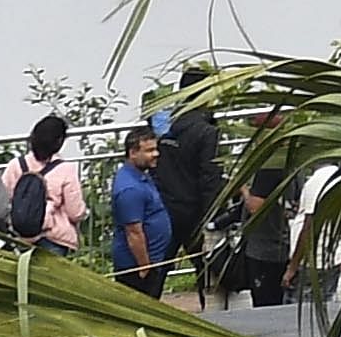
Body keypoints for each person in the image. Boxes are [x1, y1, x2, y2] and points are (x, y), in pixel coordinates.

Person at [150, 66, 223, 289]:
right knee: (208, 268)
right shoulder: (206, 131)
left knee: (158, 268)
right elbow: (209, 176)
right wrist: (213, 217)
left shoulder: (163, 123)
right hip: (193, 212)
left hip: (165, 207)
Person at [7, 112, 89, 257]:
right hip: (54, 238)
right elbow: (75, 212)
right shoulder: (66, 169)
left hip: (20, 238)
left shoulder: (16, 165)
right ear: (59, 142)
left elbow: (5, 199)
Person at [214, 167, 295, 310]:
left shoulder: (268, 170)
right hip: (281, 243)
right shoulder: (290, 167)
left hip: (263, 248)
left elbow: (255, 207)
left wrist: (243, 189)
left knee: (265, 303)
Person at [107, 126, 173, 296]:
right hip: (137, 268)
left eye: (155, 149)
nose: (156, 154)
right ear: (133, 153)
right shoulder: (129, 189)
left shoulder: (141, 175)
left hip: (152, 261)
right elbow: (134, 233)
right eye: (149, 150)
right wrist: (145, 267)